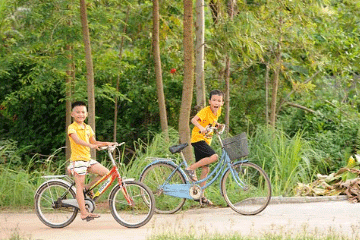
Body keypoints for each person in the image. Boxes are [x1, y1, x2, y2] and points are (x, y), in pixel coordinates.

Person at [67, 101, 115, 222]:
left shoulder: (88, 128)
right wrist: (90, 145)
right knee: (79, 184)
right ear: (72, 114)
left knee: (106, 173)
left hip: (88, 160)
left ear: (87, 114)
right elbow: (77, 141)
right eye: (77, 112)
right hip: (78, 161)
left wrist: (107, 143)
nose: (80, 114)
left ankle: (87, 188)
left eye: (83, 112)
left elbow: (94, 142)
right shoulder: (72, 128)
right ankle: (83, 213)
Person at [185, 90, 224, 205]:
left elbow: (212, 122)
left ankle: (200, 196)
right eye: (214, 100)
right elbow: (193, 120)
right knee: (214, 156)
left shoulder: (218, 111)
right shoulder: (205, 111)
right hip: (198, 139)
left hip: (205, 141)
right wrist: (201, 127)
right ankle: (191, 168)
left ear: (222, 103)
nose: (216, 102)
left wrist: (218, 125)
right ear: (209, 101)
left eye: (219, 101)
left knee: (206, 169)